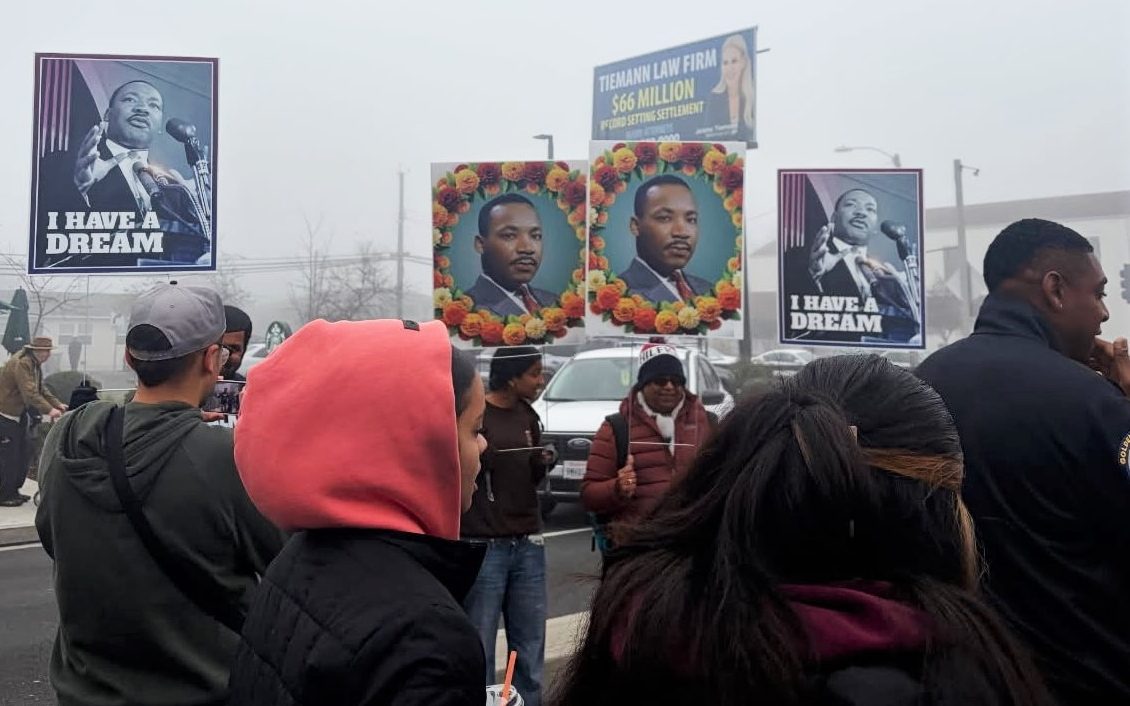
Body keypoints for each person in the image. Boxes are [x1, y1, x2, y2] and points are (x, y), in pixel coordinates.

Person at [553, 355, 1053, 706]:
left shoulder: (639, 630)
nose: (666, 388)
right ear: (935, 509)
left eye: (672, 380)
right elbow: (593, 491)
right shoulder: (959, 668)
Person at [34, 282, 285, 706]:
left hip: (82, 694)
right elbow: (287, 568)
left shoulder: (66, 435)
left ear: (131, 357)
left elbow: (51, 537)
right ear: (211, 358)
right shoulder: (228, 458)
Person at [916, 218, 1130, 704]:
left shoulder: (921, 385)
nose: (1103, 314)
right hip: (1082, 678)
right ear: (1055, 289)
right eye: (1097, 294)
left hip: (954, 679)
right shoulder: (1093, 404)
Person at [228, 319, 491, 706]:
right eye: (475, 429)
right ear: (419, 441)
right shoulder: (425, 637)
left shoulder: (301, 556)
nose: (484, 445)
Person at [35, 80, 206, 269]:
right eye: (130, 100)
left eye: (153, 105)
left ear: (159, 125)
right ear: (108, 114)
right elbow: (43, 237)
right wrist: (78, 189)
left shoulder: (175, 188)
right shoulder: (62, 163)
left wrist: (200, 212)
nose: (142, 109)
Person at [462, 346, 552, 706]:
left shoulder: (528, 416)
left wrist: (543, 461)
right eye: (534, 373)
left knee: (529, 646)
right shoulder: (477, 414)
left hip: (528, 543)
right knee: (479, 645)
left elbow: (529, 477)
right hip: (485, 546)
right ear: (512, 375)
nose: (540, 380)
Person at [581, 343, 712, 546]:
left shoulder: (709, 423)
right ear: (643, 384)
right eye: (660, 381)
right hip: (638, 548)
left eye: (676, 381)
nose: (669, 387)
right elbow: (589, 495)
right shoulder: (616, 428)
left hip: (694, 545)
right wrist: (617, 488)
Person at [782, 188, 919, 343]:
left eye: (870, 209)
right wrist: (813, 275)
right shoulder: (801, 256)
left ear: (874, 228)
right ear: (834, 217)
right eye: (851, 205)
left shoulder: (884, 274)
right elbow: (788, 315)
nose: (861, 212)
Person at [616, 176, 712, 303]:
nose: (682, 232)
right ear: (635, 226)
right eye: (665, 218)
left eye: (691, 219)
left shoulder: (709, 290)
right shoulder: (618, 296)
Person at [464, 194, 557, 318]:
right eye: (509, 235)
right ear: (481, 244)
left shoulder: (555, 302)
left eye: (535, 236)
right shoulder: (467, 311)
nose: (527, 248)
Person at [0, 337, 66, 507]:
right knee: (9, 456)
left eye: (49, 351)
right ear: (36, 350)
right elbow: (30, 393)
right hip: (5, 414)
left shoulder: (33, 363)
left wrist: (56, 403)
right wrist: (49, 410)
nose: (48, 354)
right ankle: (4, 494)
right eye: (46, 351)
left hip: (19, 414)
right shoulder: (22, 363)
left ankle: (13, 490)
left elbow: (41, 388)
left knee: (23, 452)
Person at [705, 34, 756, 143]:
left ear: (743, 63)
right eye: (725, 63)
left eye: (734, 61)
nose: (730, 68)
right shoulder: (714, 99)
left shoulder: (751, 99)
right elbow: (708, 139)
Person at [221, 305, 253, 381]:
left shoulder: (249, 390)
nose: (224, 355)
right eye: (219, 347)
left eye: (233, 348)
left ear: (244, 350)